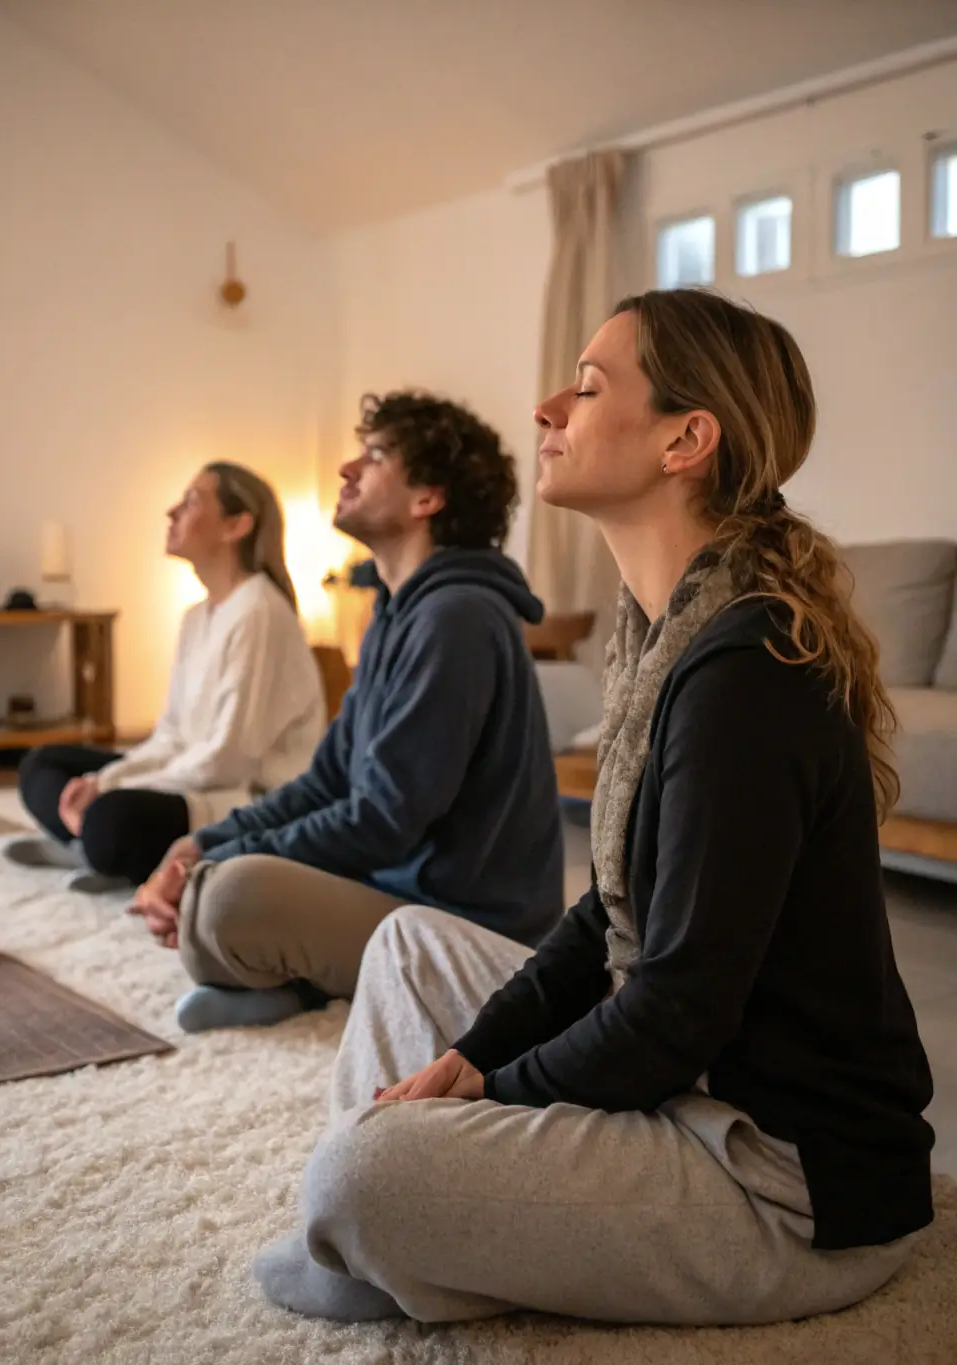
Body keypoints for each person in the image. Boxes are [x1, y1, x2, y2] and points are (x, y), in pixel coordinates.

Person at [253, 290, 935, 1328]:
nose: (546, 408)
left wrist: (492, 1096)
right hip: (694, 1084)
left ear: (685, 440)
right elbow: (609, 917)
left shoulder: (744, 672)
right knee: (406, 950)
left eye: (584, 387)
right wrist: (470, 1058)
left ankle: (396, 1226)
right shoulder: (660, 635)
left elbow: (673, 1012)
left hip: (783, 1179)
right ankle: (409, 1237)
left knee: (361, 1174)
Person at [131, 390, 563, 1034]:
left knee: (225, 899)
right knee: (213, 887)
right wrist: (203, 842)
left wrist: (219, 864)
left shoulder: (457, 619)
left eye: (376, 456)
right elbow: (328, 779)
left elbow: (383, 822)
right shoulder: (398, 613)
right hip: (401, 894)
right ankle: (294, 974)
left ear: (427, 499)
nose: (346, 470)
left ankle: (301, 977)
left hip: (469, 929)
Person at [4, 463, 325, 893]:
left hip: (239, 797)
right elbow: (170, 735)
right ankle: (89, 843)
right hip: (193, 775)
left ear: (236, 525)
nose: (171, 512)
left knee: (111, 817)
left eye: (192, 501)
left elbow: (227, 760)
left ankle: (90, 841)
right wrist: (104, 781)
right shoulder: (196, 617)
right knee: (42, 764)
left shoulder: (260, 612)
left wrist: (112, 787)